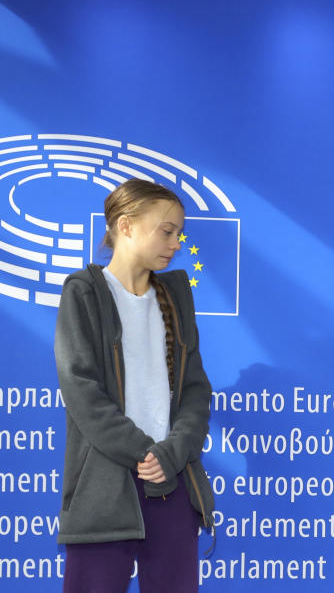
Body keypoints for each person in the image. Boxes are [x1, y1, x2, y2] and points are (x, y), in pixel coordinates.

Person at [55, 179, 215, 592]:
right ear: (125, 226)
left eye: (179, 234)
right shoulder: (84, 293)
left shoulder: (177, 300)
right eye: (167, 231)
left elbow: (196, 391)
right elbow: (81, 389)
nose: (176, 243)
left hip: (173, 484)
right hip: (105, 489)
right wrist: (144, 453)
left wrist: (171, 454)